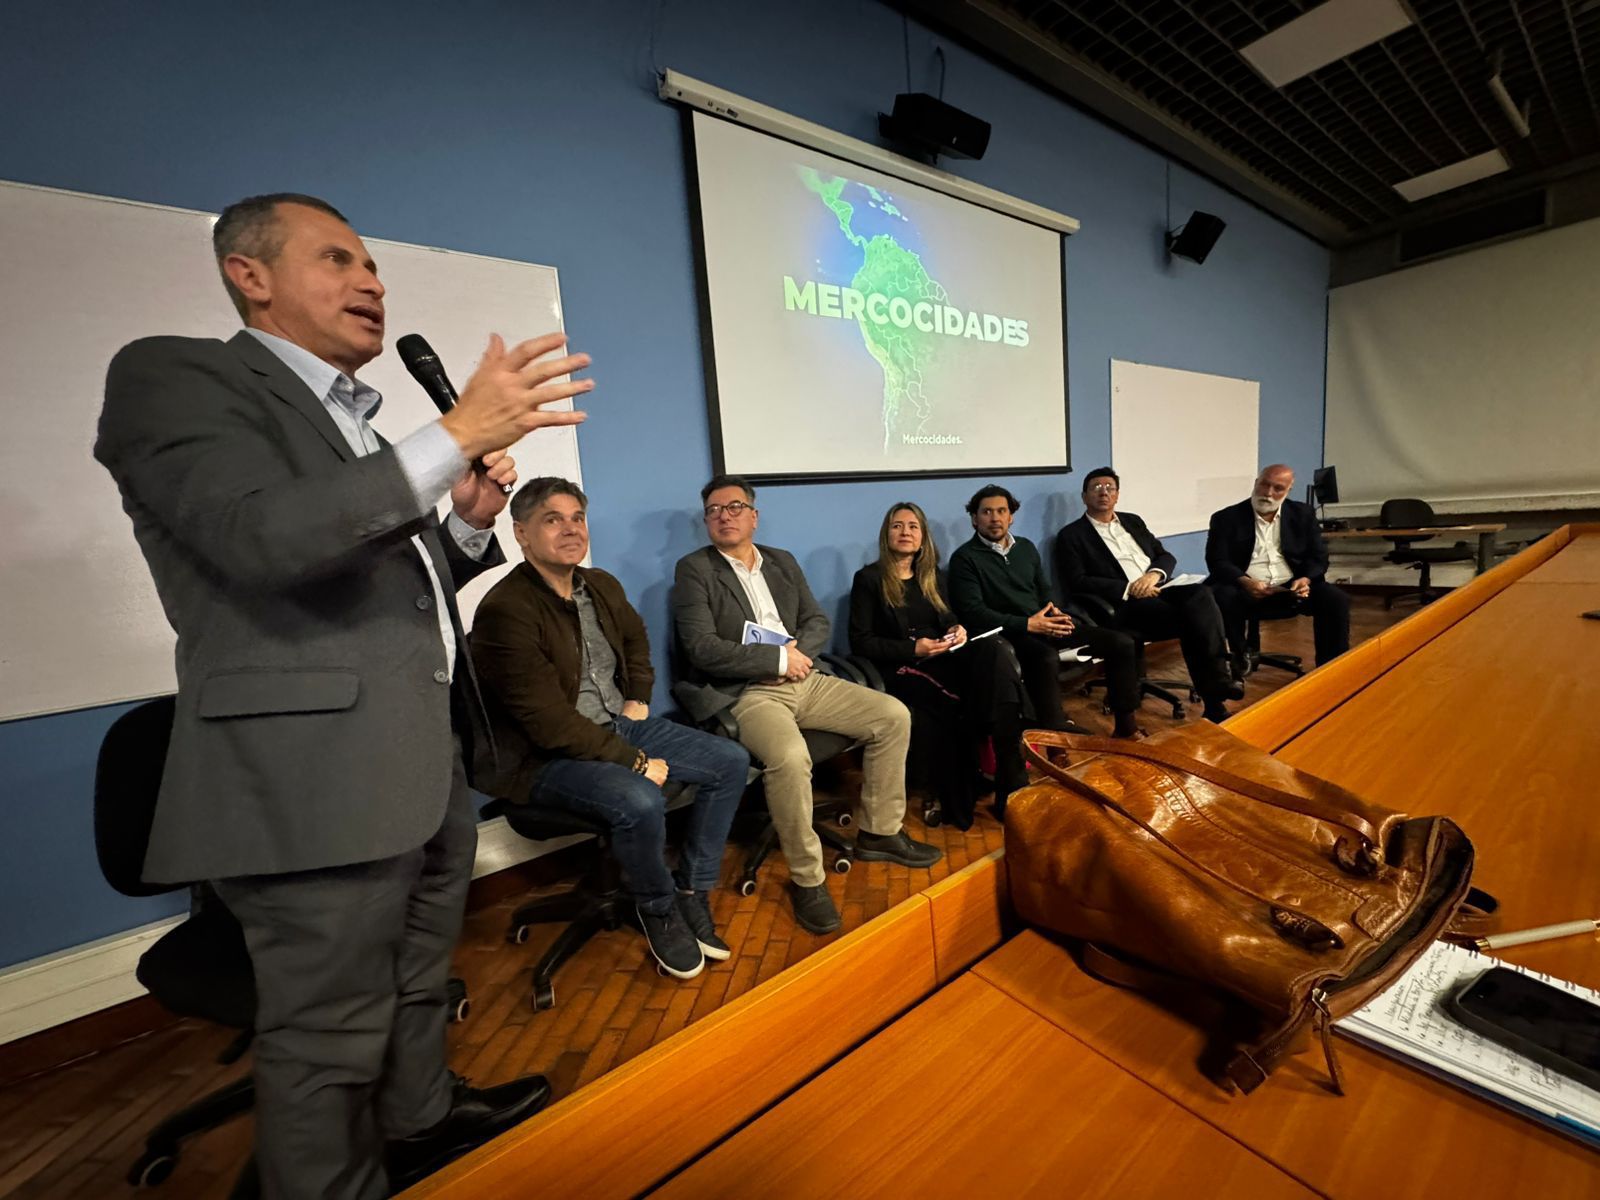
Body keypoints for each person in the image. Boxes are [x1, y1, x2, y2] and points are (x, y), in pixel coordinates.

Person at [93, 193, 591, 1199]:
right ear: (251, 274)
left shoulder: (354, 434)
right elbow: (265, 541)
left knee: (415, 979)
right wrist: (453, 432)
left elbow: (388, 598)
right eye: (339, 260)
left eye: (375, 267)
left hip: (417, 762)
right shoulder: (172, 376)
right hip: (311, 783)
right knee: (325, 1035)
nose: (372, 282)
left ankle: (420, 1122)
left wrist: (462, 525)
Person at [469, 477, 750, 980]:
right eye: (552, 520)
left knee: (730, 761)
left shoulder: (599, 584)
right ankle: (658, 908)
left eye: (577, 518)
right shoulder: (506, 610)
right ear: (522, 534)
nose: (571, 529)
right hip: (542, 757)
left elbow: (636, 639)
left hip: (615, 725)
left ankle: (691, 890)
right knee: (639, 798)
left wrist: (639, 697)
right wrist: (635, 761)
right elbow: (547, 722)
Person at [672, 475, 942, 936]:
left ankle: (879, 831)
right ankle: (808, 878)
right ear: (706, 521)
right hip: (747, 692)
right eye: (714, 510)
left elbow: (816, 619)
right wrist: (776, 658)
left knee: (892, 715)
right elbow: (701, 648)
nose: (724, 516)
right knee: (790, 757)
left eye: (735, 506)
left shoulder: (780, 561)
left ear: (754, 516)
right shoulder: (695, 569)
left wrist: (797, 656)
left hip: (804, 677)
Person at [849, 502, 1031, 828]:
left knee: (995, 655)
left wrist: (955, 629)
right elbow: (861, 641)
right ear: (886, 534)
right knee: (960, 698)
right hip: (903, 666)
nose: (905, 532)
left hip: (943, 655)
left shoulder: (932, 576)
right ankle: (964, 791)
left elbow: (948, 617)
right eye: (897, 526)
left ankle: (1009, 777)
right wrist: (913, 648)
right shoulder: (869, 579)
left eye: (913, 527)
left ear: (923, 537)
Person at [948, 485, 1145, 739]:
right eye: (986, 512)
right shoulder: (965, 558)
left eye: (1001, 511)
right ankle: (1055, 740)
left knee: (1120, 643)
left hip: (1043, 623)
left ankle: (1126, 726)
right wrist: (1028, 624)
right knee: (1045, 657)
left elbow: (1044, 590)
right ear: (975, 519)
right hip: (1008, 632)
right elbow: (973, 613)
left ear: (1011, 516)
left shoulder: (1026, 548)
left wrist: (1055, 614)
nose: (995, 518)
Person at [1054, 467, 1242, 723]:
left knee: (1201, 593)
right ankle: (1216, 696)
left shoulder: (1133, 521)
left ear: (1117, 495)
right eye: (1096, 487)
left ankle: (1218, 686)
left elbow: (1165, 555)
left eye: (1109, 487)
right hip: (1125, 604)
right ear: (1084, 496)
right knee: (1193, 619)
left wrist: (1153, 575)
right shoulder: (1072, 535)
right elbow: (1077, 581)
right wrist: (1129, 588)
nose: (1104, 492)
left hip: (1159, 588)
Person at [1205, 464, 1352, 671]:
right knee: (1220, 595)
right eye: (1264, 485)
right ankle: (1238, 656)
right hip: (1243, 588)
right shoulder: (1226, 518)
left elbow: (1318, 557)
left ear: (1288, 490)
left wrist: (1306, 579)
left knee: (1335, 599)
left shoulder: (1302, 514)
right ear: (1256, 483)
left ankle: (1331, 669)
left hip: (1291, 588)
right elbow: (1217, 561)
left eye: (1278, 488)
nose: (1268, 493)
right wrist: (1246, 582)